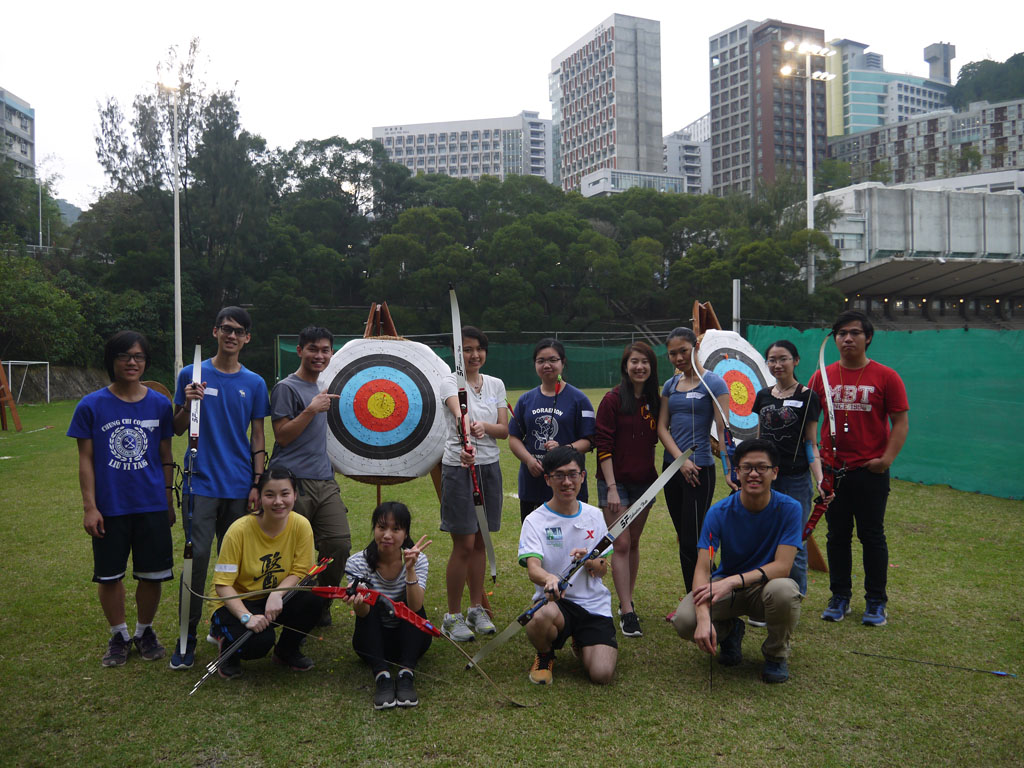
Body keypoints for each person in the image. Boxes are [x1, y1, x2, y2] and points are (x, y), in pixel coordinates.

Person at [170, 306, 271, 669]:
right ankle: (187, 636)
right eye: (226, 329)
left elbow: (258, 435)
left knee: (237, 568)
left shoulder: (255, 383)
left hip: (240, 485)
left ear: (247, 338)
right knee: (195, 561)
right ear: (215, 332)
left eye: (239, 331)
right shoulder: (192, 374)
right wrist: (187, 403)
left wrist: (258, 482)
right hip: (200, 484)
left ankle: (227, 631)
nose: (231, 336)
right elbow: (178, 427)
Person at [68, 331, 175, 667]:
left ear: (145, 362)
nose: (132, 362)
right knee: (109, 575)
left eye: (139, 356)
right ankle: (119, 634)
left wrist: (168, 501)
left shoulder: (159, 404)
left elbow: (166, 455)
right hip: (110, 506)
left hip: (152, 504)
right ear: (111, 361)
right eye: (125, 356)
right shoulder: (91, 405)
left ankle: (144, 631)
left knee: (152, 575)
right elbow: (85, 459)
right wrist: (90, 506)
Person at [671, 439, 803, 684]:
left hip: (765, 589)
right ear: (737, 472)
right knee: (685, 620)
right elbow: (702, 567)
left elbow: (783, 567)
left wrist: (732, 582)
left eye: (762, 468)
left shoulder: (790, 509)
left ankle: (775, 654)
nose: (753, 474)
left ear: (775, 472)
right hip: (726, 590)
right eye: (746, 467)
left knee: (785, 590)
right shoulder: (718, 513)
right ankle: (730, 632)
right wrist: (702, 617)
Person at [809, 310, 909, 627]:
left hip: (870, 472)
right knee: (837, 536)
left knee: (871, 536)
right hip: (832, 472)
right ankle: (840, 597)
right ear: (834, 339)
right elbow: (808, 422)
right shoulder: (821, 376)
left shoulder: (886, 376)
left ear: (868, 338)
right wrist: (817, 462)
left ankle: (876, 601)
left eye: (855, 332)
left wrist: (885, 461)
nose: (848, 338)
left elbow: (900, 422)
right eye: (841, 333)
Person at [269, 326, 349, 627]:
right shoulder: (286, 388)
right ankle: (291, 607)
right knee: (291, 551)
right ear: (300, 350)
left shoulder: (322, 388)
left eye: (325, 350)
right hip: (292, 483)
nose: (320, 355)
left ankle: (319, 604)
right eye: (313, 349)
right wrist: (311, 410)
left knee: (338, 544)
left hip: (324, 480)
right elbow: (283, 436)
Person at [209, 468, 323, 678]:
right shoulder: (238, 530)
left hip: (272, 598)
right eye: (270, 495)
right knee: (260, 642)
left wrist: (276, 594)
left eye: (285, 494)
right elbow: (223, 585)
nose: (278, 501)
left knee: (315, 600)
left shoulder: (301, 525)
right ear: (259, 498)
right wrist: (246, 617)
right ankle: (226, 645)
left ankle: (286, 651)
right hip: (236, 600)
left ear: (295, 495)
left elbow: (301, 572)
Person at [518, 446, 618, 686]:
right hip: (557, 603)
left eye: (573, 474)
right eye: (559, 475)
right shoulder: (535, 520)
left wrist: (591, 560)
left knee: (601, 674)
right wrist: (549, 579)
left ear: (582, 477)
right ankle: (545, 654)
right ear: (547, 479)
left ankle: (582, 641)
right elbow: (533, 568)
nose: (567, 482)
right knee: (537, 617)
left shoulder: (594, 516)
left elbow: (603, 569)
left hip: (593, 605)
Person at [438, 326, 508, 642]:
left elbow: (504, 430)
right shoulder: (450, 381)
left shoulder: (496, 384)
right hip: (459, 468)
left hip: (489, 467)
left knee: (481, 542)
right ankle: (452, 615)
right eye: (466, 349)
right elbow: (458, 411)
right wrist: (466, 429)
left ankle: (476, 608)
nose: (474, 355)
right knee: (463, 544)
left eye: (478, 348)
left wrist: (485, 427)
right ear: (457, 354)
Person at [657, 327, 737, 592]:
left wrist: (729, 470)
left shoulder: (714, 383)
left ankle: (704, 597)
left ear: (696, 348)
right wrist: (680, 460)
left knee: (694, 540)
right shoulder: (670, 385)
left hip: (699, 469)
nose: (679, 358)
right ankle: (699, 596)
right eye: (673, 354)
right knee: (685, 538)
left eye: (684, 351)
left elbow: (724, 429)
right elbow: (661, 428)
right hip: (672, 469)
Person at [594, 342, 660, 638]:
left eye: (645, 362)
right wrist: (610, 488)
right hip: (614, 483)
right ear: (626, 365)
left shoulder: (654, 400)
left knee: (633, 542)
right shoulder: (612, 400)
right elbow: (603, 445)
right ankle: (627, 611)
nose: (639, 367)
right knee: (619, 544)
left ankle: (626, 602)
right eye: (634, 361)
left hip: (645, 482)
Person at [341, 502, 433, 709]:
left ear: (406, 533)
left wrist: (410, 570)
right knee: (372, 602)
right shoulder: (357, 563)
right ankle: (381, 675)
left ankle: (406, 673)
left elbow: (416, 606)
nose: (387, 535)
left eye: (396, 529)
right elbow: (363, 614)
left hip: (410, 641)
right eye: (381, 527)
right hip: (372, 642)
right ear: (374, 529)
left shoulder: (418, 559)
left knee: (407, 605)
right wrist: (359, 603)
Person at [752, 340, 823, 595]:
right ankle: (764, 597)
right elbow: (760, 440)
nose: (777, 364)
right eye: (772, 359)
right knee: (764, 537)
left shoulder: (808, 396)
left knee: (795, 541)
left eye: (783, 359)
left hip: (795, 479)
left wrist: (820, 480)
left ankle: (792, 599)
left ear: (796, 360)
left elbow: (810, 444)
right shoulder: (763, 396)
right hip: (766, 478)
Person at [508, 338, 596, 523]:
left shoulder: (579, 399)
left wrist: (564, 449)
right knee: (535, 540)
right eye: (541, 361)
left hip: (568, 483)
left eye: (553, 360)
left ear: (563, 363)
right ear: (535, 365)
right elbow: (514, 437)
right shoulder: (525, 400)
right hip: (533, 483)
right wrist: (528, 459)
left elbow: (589, 440)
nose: (547, 365)